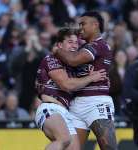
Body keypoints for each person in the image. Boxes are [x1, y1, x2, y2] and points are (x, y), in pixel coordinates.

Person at [52, 11, 117, 149]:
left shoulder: (99, 45)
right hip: (76, 104)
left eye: (83, 24)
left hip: (96, 101)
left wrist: (57, 51)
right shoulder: (83, 48)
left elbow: (73, 60)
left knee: (109, 147)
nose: (80, 28)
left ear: (95, 25)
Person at [35, 28, 106, 150]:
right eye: (70, 42)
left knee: (74, 148)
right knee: (64, 139)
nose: (74, 45)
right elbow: (67, 84)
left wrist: (90, 75)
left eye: (76, 42)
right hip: (50, 107)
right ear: (59, 45)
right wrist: (90, 78)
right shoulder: (52, 59)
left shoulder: (74, 67)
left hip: (66, 113)